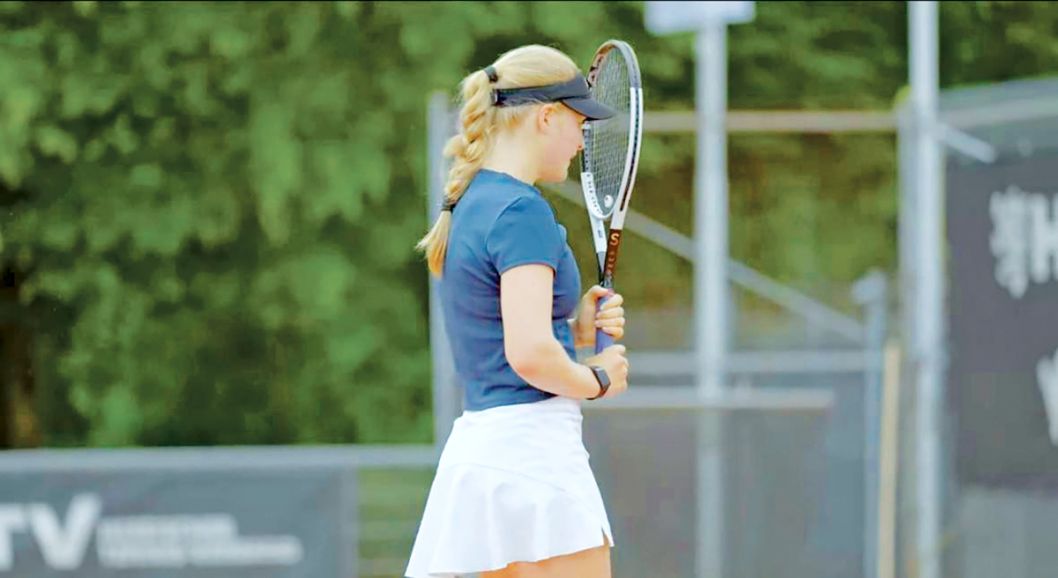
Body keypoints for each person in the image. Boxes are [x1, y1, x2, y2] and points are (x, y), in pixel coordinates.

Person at [405, 44, 631, 578]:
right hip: (534, 459)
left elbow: (503, 334)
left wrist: (574, 331)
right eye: (579, 122)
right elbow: (528, 355)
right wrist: (596, 378)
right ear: (546, 117)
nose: (582, 139)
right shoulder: (522, 210)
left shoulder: (472, 200)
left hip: (484, 452)